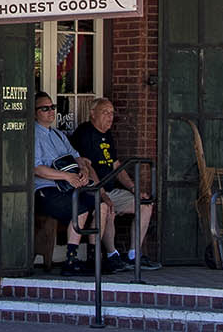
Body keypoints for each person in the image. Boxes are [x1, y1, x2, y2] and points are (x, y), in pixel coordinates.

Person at [69, 97, 159, 270]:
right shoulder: (85, 133)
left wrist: (135, 189)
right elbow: (87, 166)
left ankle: (134, 255)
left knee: (145, 205)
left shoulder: (107, 135)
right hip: (92, 192)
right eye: (105, 112)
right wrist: (102, 193)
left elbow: (117, 166)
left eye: (111, 113)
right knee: (107, 208)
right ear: (92, 114)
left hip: (111, 190)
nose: (110, 117)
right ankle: (112, 255)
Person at [32, 91, 99, 276]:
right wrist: (66, 176)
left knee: (99, 204)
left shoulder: (59, 134)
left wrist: (83, 171)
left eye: (52, 107)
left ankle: (96, 257)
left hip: (70, 186)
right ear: (35, 112)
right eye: (45, 108)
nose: (51, 111)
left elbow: (77, 157)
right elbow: (36, 169)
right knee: (81, 209)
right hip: (47, 190)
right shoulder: (33, 135)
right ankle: (71, 259)